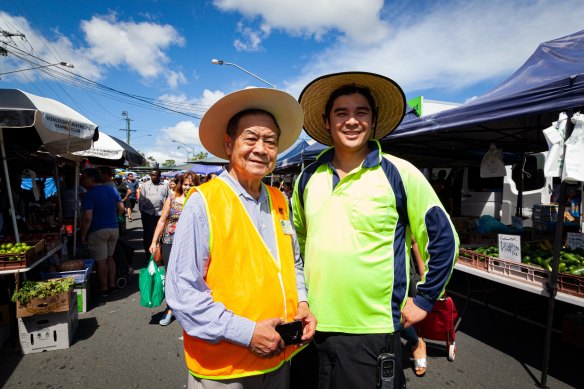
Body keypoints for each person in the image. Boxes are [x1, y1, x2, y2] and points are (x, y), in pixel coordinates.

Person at [292, 72, 459, 388]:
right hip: (311, 326)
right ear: (327, 121)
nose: (351, 121)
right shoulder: (307, 179)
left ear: (373, 120)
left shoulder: (399, 173)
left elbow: (443, 238)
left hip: (372, 331)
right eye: (341, 112)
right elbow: (297, 245)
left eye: (361, 112)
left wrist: (424, 299)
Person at [165, 87, 316, 389]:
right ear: (229, 143)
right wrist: (247, 333)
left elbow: (293, 263)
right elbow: (183, 291)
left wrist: (302, 302)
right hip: (226, 369)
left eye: (270, 141)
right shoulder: (204, 201)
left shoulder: (279, 200)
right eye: (251, 138)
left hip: (279, 354)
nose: (261, 148)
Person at [149, 171, 200, 326]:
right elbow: (162, 220)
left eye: (191, 184)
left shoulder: (200, 200)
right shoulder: (171, 198)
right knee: (171, 275)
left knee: (190, 274)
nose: (187, 187)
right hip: (169, 241)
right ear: (180, 184)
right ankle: (170, 309)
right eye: (185, 184)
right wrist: (154, 241)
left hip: (191, 242)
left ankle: (189, 308)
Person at [80, 168, 125, 297]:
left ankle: (104, 288)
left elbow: (88, 218)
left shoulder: (89, 194)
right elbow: (121, 207)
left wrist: (83, 234)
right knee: (110, 258)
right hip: (113, 228)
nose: (82, 181)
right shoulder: (112, 190)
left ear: (91, 179)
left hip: (97, 231)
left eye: (84, 178)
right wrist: (115, 218)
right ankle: (112, 285)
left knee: (101, 261)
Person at [138, 168, 169, 263]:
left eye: (155, 175)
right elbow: (141, 199)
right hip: (148, 213)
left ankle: (159, 255)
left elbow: (168, 198)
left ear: (159, 176)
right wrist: (142, 209)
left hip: (160, 214)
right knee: (148, 234)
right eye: (152, 175)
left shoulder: (165, 185)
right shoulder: (145, 185)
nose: (153, 177)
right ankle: (149, 256)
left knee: (160, 234)